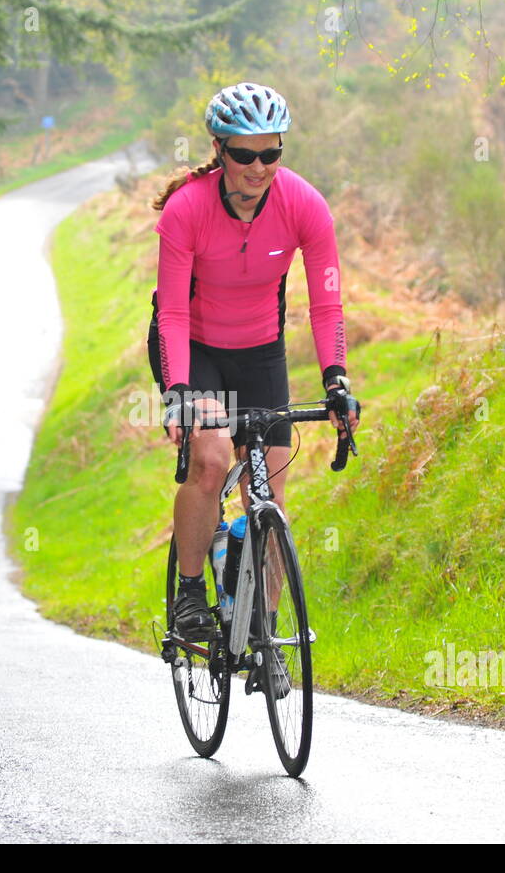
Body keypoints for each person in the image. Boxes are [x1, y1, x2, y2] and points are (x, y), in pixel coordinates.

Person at [146, 81, 360, 642]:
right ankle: (191, 597)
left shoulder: (305, 205)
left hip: (260, 351)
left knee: (271, 494)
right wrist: (179, 393)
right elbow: (169, 311)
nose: (258, 167)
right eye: (244, 154)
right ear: (219, 150)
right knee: (212, 458)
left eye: (271, 153)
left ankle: (264, 633)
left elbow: (327, 303)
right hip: (195, 351)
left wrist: (336, 381)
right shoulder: (186, 209)